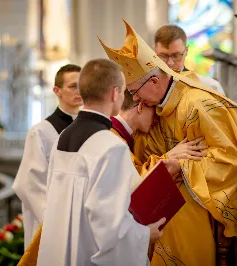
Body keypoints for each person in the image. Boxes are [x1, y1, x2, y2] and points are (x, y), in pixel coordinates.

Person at [99, 19, 237, 266]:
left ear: (153, 82)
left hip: (194, 205)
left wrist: (181, 167)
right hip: (161, 205)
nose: (135, 99)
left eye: (134, 91)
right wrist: (170, 161)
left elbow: (230, 160)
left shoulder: (198, 105)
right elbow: (140, 162)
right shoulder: (155, 109)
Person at [37, 59, 165, 266]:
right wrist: (144, 235)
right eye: (123, 91)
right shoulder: (111, 146)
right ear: (115, 93)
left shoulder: (62, 136)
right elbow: (110, 229)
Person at [12, 64, 82, 250]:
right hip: (53, 219)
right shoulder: (41, 132)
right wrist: (54, 220)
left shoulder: (89, 128)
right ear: (57, 91)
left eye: (82, 85)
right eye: (73, 86)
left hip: (81, 218)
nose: (79, 91)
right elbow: (29, 183)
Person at [111, 89, 208, 177]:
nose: (157, 119)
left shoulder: (116, 133)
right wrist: (169, 156)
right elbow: (132, 183)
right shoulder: (112, 138)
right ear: (140, 107)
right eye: (154, 109)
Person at [154, 24, 225, 95]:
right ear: (154, 52)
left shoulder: (210, 87)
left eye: (176, 55)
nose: (170, 63)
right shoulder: (144, 89)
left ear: (186, 51)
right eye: (163, 56)